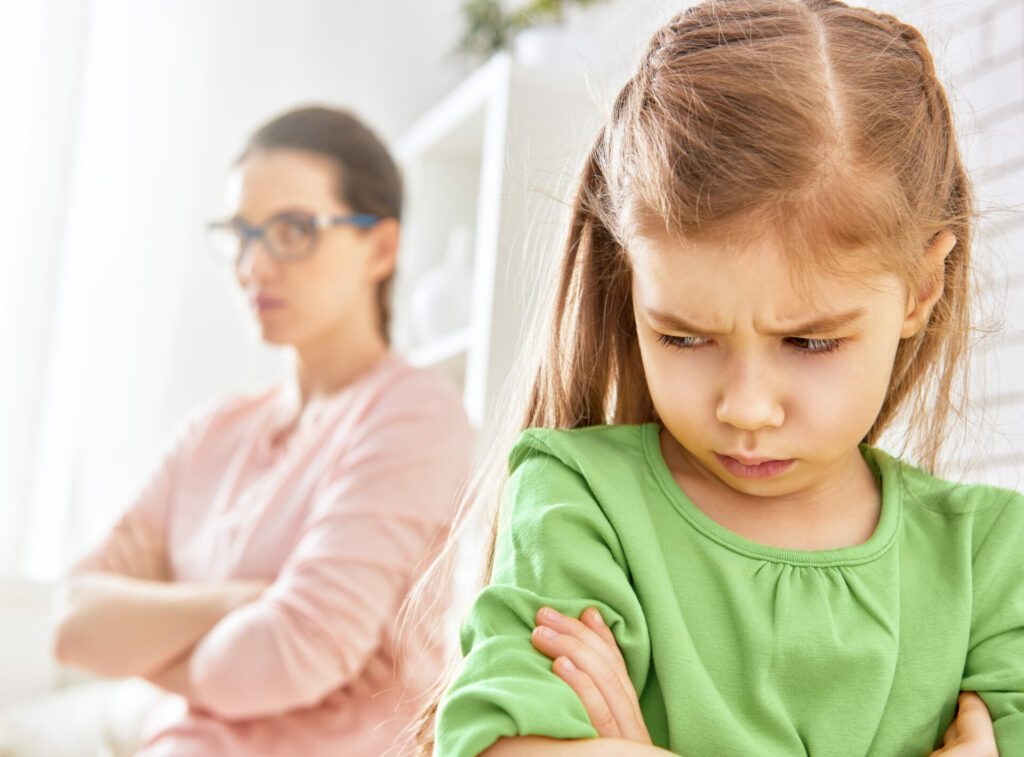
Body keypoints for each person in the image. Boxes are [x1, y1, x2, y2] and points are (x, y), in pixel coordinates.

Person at [425, 1, 1024, 755]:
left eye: (808, 342)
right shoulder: (581, 499)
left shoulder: (992, 557)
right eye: (682, 335)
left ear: (919, 289)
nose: (745, 408)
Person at [52, 106, 474, 756]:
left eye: (294, 231)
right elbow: (74, 623)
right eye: (241, 233)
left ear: (381, 247)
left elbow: (287, 655)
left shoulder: (415, 414)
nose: (255, 265)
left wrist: (148, 645)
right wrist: (240, 601)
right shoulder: (214, 429)